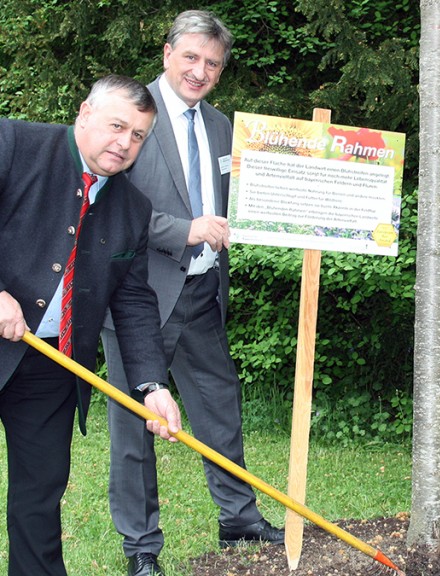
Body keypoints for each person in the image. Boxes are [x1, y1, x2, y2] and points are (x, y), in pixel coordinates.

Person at [101, 10, 284, 576]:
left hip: (204, 292)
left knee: (220, 409)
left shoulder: (225, 126)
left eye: (212, 63)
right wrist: (184, 230)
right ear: (167, 54)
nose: (200, 71)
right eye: (191, 57)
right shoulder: (133, 117)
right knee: (134, 429)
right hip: (137, 298)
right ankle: (141, 549)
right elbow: (110, 203)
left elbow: (241, 204)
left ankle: (239, 520)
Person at [0, 75, 182, 576]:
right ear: (84, 113)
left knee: (39, 496)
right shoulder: (14, 143)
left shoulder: (132, 208)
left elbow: (134, 302)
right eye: (117, 126)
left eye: (138, 135)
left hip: (52, 362)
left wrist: (151, 386)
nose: (124, 143)